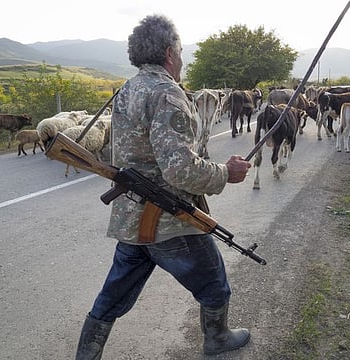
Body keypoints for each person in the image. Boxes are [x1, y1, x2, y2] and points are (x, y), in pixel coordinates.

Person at [75, 14, 253, 359]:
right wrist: (224, 173)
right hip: (171, 222)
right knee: (215, 285)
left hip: (132, 219)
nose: (183, 59)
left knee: (112, 296)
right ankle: (216, 339)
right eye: (182, 51)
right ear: (170, 52)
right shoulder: (167, 93)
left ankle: (86, 354)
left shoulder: (129, 89)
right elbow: (179, 170)